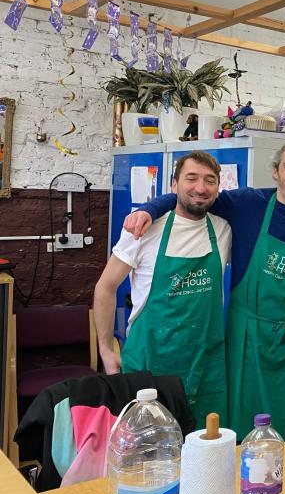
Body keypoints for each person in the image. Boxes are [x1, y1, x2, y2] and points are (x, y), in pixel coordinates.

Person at [122, 142, 285, 438]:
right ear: (275, 172)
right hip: (246, 337)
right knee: (243, 421)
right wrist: (149, 208)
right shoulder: (248, 203)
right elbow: (192, 197)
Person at [94, 151, 232, 426]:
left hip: (204, 364)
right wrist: (106, 351)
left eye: (210, 180)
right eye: (191, 178)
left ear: (219, 187)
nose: (200, 188)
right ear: (173, 185)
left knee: (205, 449)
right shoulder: (144, 229)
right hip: (150, 361)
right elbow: (105, 288)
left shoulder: (224, 229)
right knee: (148, 451)